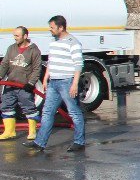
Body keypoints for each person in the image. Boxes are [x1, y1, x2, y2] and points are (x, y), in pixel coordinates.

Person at [23, 15, 86, 153]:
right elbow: (51, 62)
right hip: (53, 83)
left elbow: (78, 64)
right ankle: (40, 142)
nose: (50, 30)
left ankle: (79, 141)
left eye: (52, 27)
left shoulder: (73, 42)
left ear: (61, 27)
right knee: (47, 112)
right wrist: (46, 79)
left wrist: (74, 84)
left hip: (67, 81)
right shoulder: (54, 42)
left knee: (74, 112)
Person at [0, 26, 42, 140]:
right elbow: (4, 65)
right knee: (6, 106)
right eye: (14, 35)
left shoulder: (34, 50)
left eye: (17, 36)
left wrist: (31, 83)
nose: (15, 38)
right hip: (10, 84)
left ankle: (32, 132)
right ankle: (9, 131)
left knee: (29, 108)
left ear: (25, 36)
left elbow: (37, 69)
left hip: (24, 86)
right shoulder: (11, 48)